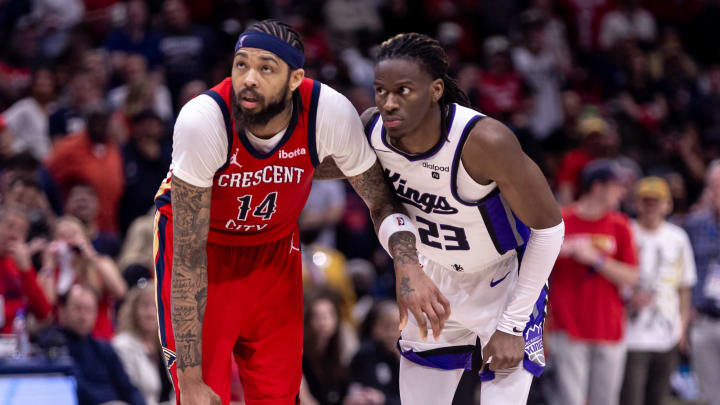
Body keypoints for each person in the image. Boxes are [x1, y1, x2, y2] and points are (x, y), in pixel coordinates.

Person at [153, 20, 448, 405]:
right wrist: (188, 381)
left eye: (266, 68)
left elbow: (379, 199)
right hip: (205, 252)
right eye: (241, 64)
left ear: (296, 79)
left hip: (275, 251)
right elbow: (189, 259)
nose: (249, 78)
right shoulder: (204, 119)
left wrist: (407, 266)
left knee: (280, 395)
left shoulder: (329, 113)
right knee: (201, 396)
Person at [364, 33, 564, 404]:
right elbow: (380, 205)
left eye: (403, 91)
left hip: (503, 279)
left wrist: (512, 324)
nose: (388, 103)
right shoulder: (373, 133)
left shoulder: (484, 141)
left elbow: (550, 230)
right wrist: (407, 267)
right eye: (380, 91)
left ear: (435, 89)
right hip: (432, 276)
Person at [548, 160, 639, 405]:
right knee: (569, 400)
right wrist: (557, 252)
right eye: (617, 186)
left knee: (606, 400)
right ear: (597, 187)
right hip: (568, 326)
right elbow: (534, 270)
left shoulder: (620, 225)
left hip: (609, 326)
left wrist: (596, 259)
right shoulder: (561, 220)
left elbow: (632, 276)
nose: (622, 192)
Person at [620, 177, 696, 405]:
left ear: (668, 205)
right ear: (636, 203)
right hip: (629, 336)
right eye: (646, 201)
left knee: (659, 399)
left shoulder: (678, 237)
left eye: (657, 201)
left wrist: (681, 328)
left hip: (667, 335)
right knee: (630, 399)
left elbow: (684, 287)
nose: (651, 206)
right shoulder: (625, 230)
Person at [53, 284, 145, 405]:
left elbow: (128, 388)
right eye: (77, 308)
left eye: (88, 310)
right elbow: (74, 388)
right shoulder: (54, 346)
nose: (83, 315)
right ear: (62, 311)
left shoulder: (104, 348)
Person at [684, 160, 720, 405]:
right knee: (711, 395)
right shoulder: (695, 224)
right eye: (714, 187)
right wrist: (688, 313)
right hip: (704, 320)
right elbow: (685, 271)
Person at [113, 283, 175, 405]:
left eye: (156, 306)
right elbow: (130, 393)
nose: (151, 313)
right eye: (145, 306)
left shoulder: (168, 345)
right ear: (134, 310)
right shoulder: (122, 345)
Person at [0, 205, 52, 333]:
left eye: (21, 230)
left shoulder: (20, 267)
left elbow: (43, 313)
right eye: (10, 226)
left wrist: (27, 270)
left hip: (14, 344)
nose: (15, 235)